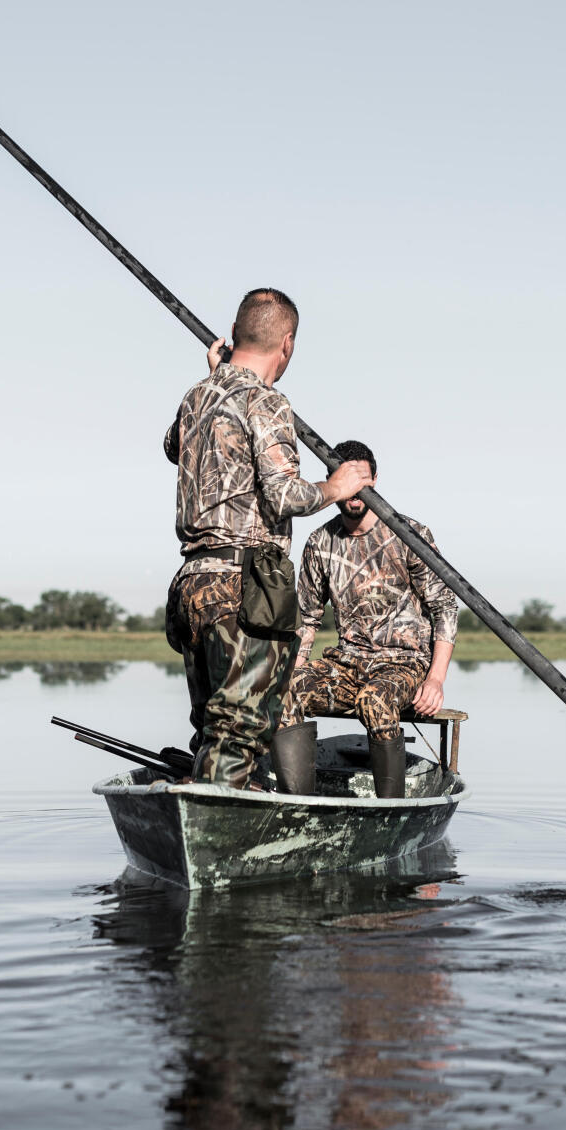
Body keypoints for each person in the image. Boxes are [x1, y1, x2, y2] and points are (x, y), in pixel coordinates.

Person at [164, 288, 375, 789]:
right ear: (288, 344)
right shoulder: (268, 402)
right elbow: (284, 497)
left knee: (213, 728)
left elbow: (173, 446)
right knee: (238, 731)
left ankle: (215, 809)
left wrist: (217, 376)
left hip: (193, 583)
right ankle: (222, 833)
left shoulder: (197, 395)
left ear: (235, 335)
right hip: (244, 586)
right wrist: (335, 486)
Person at [273, 439, 457, 799]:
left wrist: (435, 680)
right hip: (347, 663)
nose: (356, 492)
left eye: (364, 481)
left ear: (375, 480)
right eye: (348, 481)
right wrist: (293, 670)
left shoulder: (409, 535)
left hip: (404, 664)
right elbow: (307, 619)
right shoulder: (320, 542)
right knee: (282, 690)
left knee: (374, 700)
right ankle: (298, 806)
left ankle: (392, 810)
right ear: (333, 480)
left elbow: (445, 609)